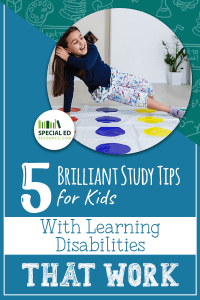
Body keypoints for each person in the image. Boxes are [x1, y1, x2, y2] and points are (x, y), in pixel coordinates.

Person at [52, 26, 184, 119]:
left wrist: (67, 57)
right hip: (103, 90)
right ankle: (171, 110)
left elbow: (87, 64)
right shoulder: (69, 66)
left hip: (113, 75)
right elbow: (69, 88)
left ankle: (151, 105)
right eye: (75, 42)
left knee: (146, 85)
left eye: (81, 37)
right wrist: (67, 112)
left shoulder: (91, 47)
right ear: (67, 49)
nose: (82, 42)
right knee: (139, 97)